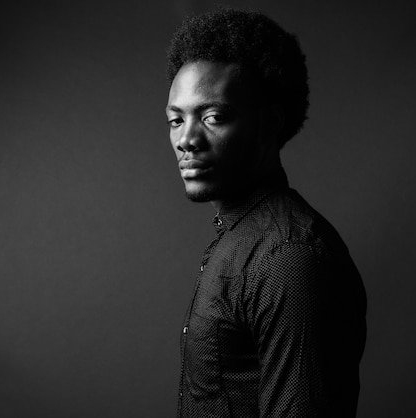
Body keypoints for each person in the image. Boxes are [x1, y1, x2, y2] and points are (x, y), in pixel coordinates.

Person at [165, 8, 367, 417]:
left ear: (269, 123)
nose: (187, 139)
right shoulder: (241, 239)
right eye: (175, 119)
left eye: (213, 117)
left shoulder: (289, 258)